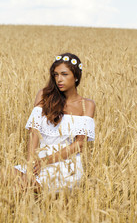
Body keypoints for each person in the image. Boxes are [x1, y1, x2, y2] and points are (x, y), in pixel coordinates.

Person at [14, 52, 95, 191]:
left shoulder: (87, 105)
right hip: (37, 162)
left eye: (64, 74)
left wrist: (46, 161)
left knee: (16, 188)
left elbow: (79, 144)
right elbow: (34, 132)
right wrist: (29, 166)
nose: (59, 79)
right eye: (56, 75)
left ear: (76, 77)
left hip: (67, 166)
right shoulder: (44, 95)